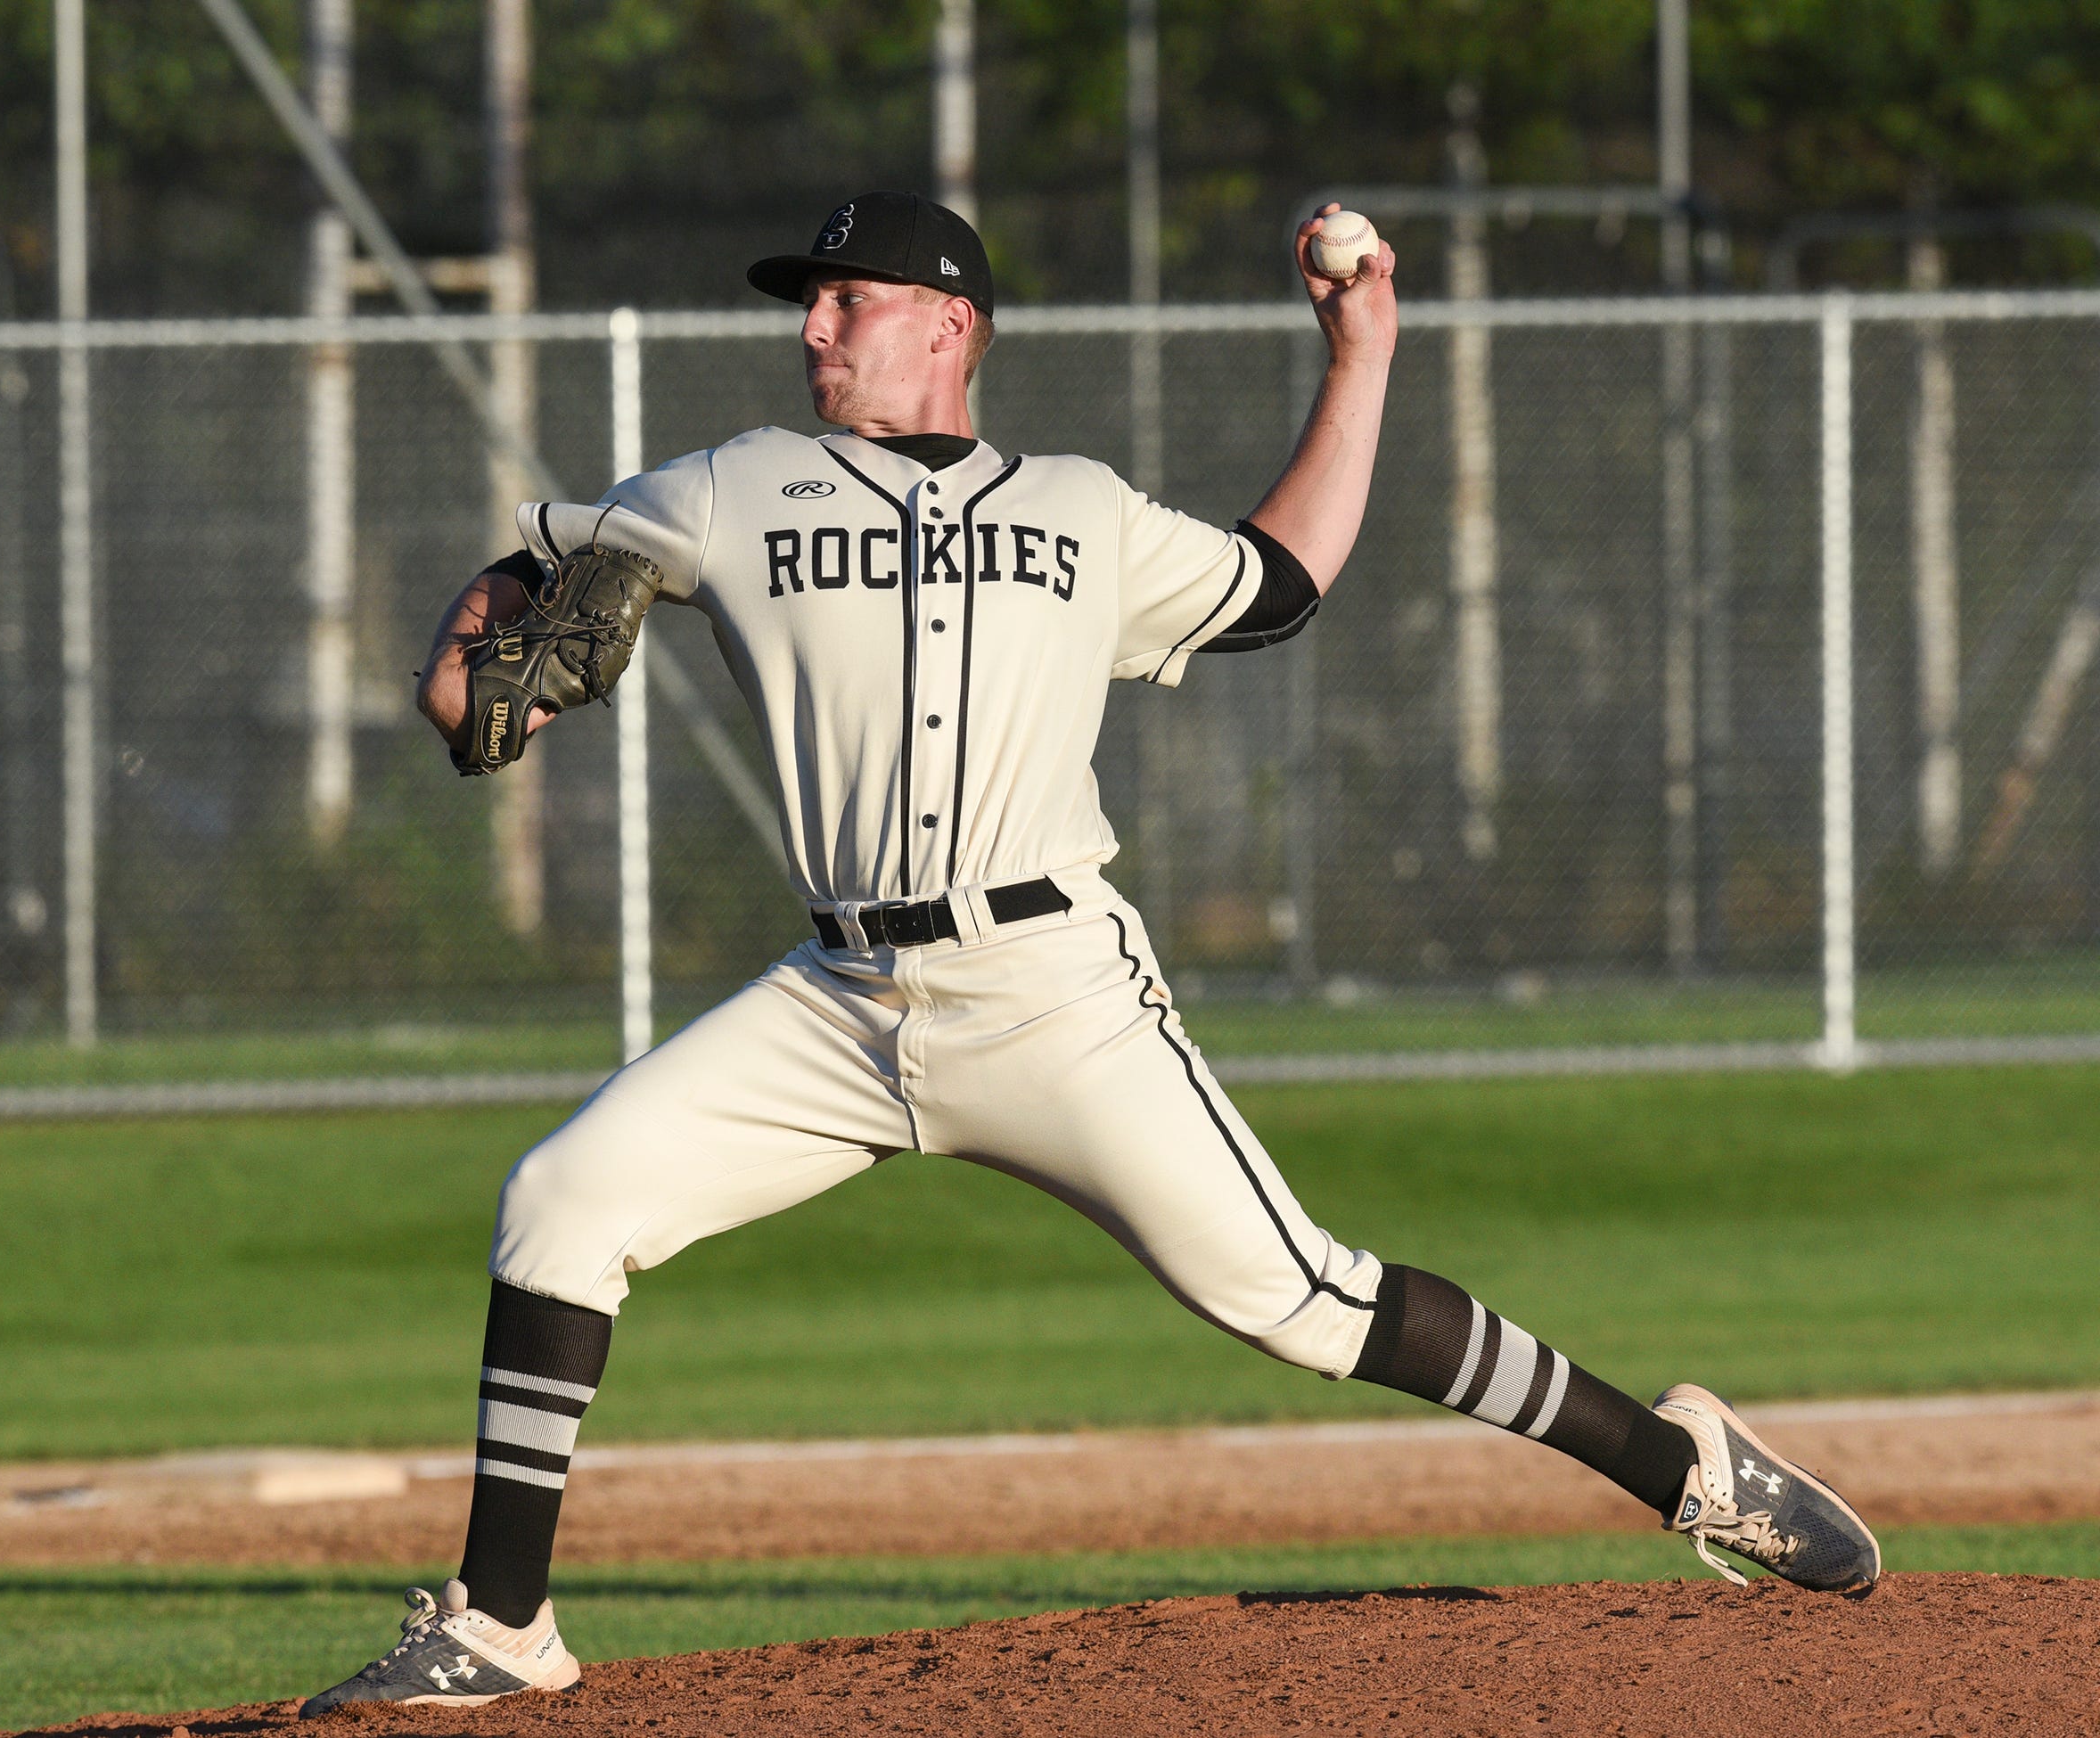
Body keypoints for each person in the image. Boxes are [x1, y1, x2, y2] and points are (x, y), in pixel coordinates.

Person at [299, 193, 1877, 1717]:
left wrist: (1363, 355)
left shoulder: (1079, 508)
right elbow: (541, 564)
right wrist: (463, 656)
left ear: (952, 324)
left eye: (852, 298)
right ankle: (505, 1624)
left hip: (1053, 989)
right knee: (561, 1203)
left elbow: (1281, 584)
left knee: (1305, 1300)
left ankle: (1688, 1469)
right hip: (839, 1001)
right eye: (811, 300)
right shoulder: (733, 484)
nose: (817, 327)